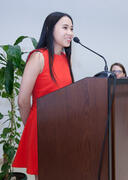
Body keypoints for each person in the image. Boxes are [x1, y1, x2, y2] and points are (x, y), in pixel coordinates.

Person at [12, 12, 74, 180]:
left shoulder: (64, 58)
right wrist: (31, 128)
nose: (70, 33)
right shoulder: (39, 57)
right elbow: (23, 100)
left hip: (63, 129)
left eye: (72, 28)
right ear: (49, 29)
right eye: (65, 27)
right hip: (43, 129)